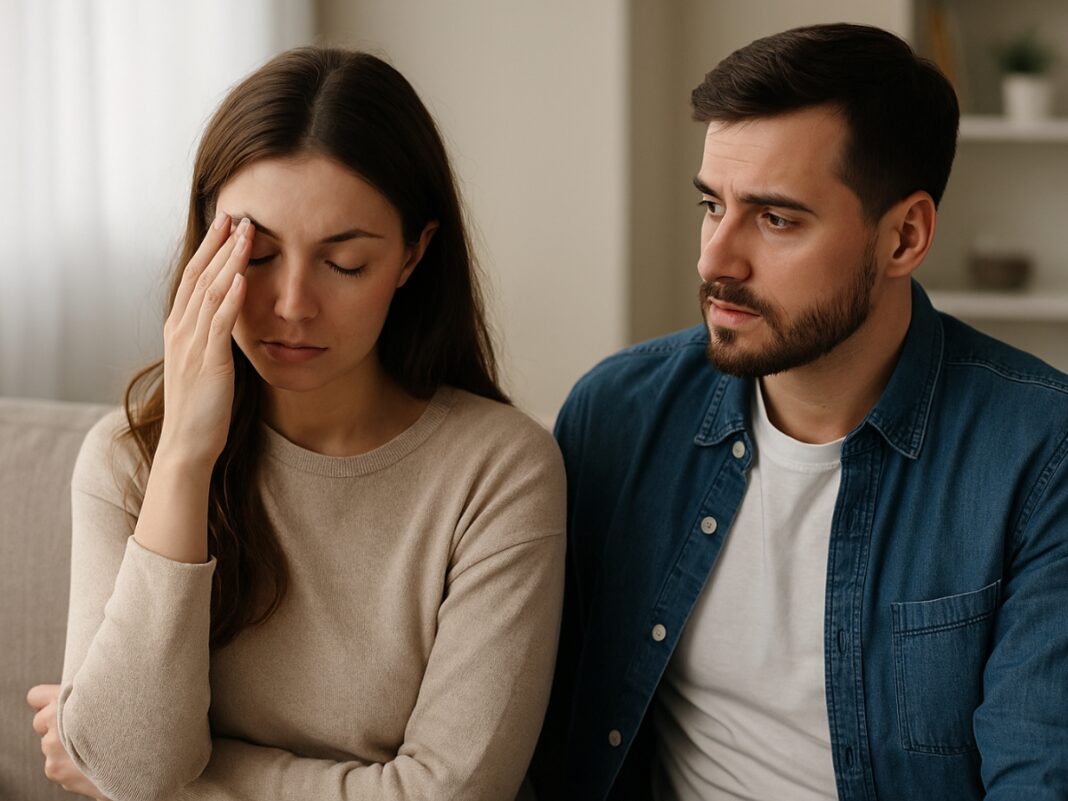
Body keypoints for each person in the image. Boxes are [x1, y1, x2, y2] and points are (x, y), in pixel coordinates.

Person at [532, 22, 1068, 801]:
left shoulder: (1039, 453)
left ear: (905, 236)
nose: (715, 259)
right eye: (711, 205)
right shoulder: (617, 417)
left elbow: (1039, 775)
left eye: (776, 218)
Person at [26, 47, 565, 801]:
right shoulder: (131, 459)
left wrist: (190, 779)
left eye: (344, 263)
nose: (291, 305)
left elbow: (451, 793)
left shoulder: (501, 472)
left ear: (414, 254)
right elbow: (130, 760)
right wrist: (185, 453)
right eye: (260, 254)